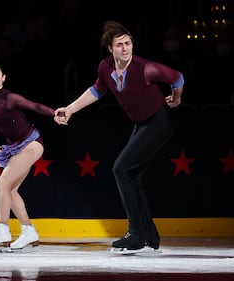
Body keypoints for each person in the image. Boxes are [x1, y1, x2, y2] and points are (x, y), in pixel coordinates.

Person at [54, 20, 184, 252]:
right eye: (120, 45)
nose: (125, 48)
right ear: (110, 49)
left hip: (158, 123)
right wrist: (70, 109)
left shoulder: (146, 68)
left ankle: (135, 233)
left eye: (128, 43)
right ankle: (149, 237)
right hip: (141, 124)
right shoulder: (105, 68)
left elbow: (177, 77)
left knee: (121, 169)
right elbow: (97, 90)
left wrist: (176, 99)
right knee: (133, 177)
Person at [0, 63, 55, 251]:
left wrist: (55, 113)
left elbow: (34, 106)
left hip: (31, 143)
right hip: (14, 147)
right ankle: (29, 232)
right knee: (10, 190)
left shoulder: (10, 98)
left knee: (2, 183)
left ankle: (2, 230)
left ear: (3, 78)